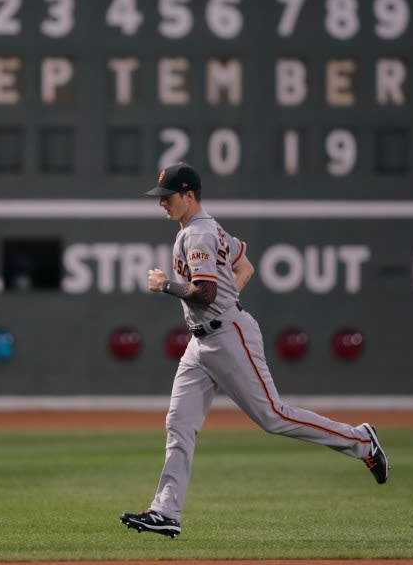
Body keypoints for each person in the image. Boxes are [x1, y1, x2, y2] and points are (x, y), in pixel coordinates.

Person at [120, 161, 389, 539]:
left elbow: (207, 292)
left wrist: (168, 287)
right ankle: (166, 511)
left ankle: (361, 440)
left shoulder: (198, 233)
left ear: (189, 195)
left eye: (168, 196)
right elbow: (245, 267)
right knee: (179, 424)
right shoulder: (209, 228)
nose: (162, 203)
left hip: (228, 336)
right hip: (202, 342)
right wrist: (222, 301)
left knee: (273, 416)